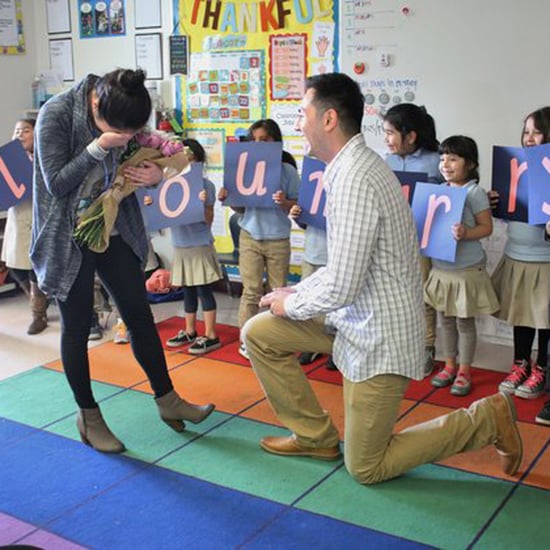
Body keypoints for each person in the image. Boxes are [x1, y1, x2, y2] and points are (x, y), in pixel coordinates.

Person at [243, 72, 522, 485]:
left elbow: (343, 283)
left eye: (302, 113)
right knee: (260, 333)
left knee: (366, 467)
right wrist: (297, 290)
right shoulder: (346, 168)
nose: (297, 123)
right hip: (351, 320)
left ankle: (485, 419)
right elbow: (342, 270)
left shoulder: (356, 176)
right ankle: (314, 436)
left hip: (380, 336)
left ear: (329, 119)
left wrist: (294, 302)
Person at [30, 68, 215, 454]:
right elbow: (56, 184)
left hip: (116, 229)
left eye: (133, 131)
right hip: (69, 236)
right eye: (119, 131)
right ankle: (88, 415)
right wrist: (97, 147)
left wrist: (154, 174)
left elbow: (155, 156)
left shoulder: (124, 106)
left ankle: (167, 399)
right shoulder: (57, 114)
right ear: (95, 104)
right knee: (78, 326)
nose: (127, 138)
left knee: (140, 316)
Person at [218, 118, 300, 358]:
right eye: (254, 141)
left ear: (276, 142)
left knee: (277, 291)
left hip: (277, 239)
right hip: (250, 236)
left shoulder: (287, 170)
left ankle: (275, 340)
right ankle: (247, 340)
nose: (259, 145)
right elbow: (241, 209)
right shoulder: (245, 169)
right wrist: (229, 198)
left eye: (264, 140)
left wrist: (285, 202)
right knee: (251, 291)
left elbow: (297, 206)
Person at [424, 136, 499, 396]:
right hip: (441, 268)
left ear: (470, 164)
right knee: (445, 320)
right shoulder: (438, 191)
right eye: (443, 158)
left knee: (465, 323)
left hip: (466, 270)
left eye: (453, 158)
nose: (446, 163)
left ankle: (465, 370)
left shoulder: (474, 193)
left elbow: (486, 227)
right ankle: (449, 365)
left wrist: (466, 233)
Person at [491, 107, 550, 404]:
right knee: (522, 316)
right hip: (517, 254)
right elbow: (510, 213)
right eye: (525, 131)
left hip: (545, 259)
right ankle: (521, 363)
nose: (528, 138)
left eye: (536, 131)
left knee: (545, 318)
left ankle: (542, 368)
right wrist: (494, 205)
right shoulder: (515, 166)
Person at [383, 103, 443, 376]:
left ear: (411, 136)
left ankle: (426, 346)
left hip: (424, 240)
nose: (387, 139)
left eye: (391, 133)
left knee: (422, 294)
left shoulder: (435, 160)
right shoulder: (388, 160)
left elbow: (454, 193)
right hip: (393, 239)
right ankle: (398, 344)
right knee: (394, 292)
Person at [165, 138, 223, 354]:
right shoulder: (169, 184)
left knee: (203, 289)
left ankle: (211, 334)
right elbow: (161, 212)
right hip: (180, 244)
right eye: (182, 160)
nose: (186, 165)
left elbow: (208, 219)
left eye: (192, 161)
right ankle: (189, 330)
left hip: (199, 245)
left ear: (199, 162)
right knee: (188, 289)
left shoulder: (206, 186)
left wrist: (202, 203)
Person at [1, 118, 49, 335]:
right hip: (17, 217)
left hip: (40, 218)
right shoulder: (8, 163)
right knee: (16, 266)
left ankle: (38, 314)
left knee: (34, 269)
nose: (20, 134)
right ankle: (39, 299)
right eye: (17, 130)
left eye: (26, 130)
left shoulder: (45, 157)